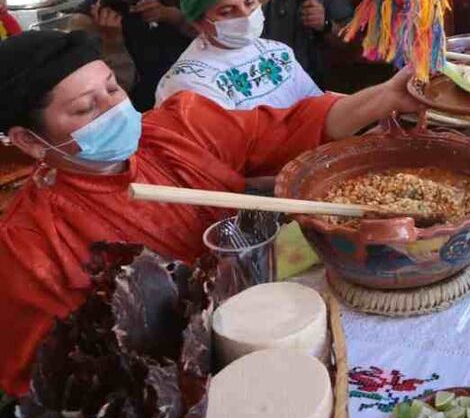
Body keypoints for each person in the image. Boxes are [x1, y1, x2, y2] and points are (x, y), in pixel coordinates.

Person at [0, 29, 418, 394]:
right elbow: (51, 381)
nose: (114, 109)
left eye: (113, 88)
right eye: (84, 109)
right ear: (29, 141)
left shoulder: (178, 127)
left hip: (281, 318)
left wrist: (385, 96)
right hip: (194, 384)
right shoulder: (26, 245)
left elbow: (290, 128)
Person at [155, 0, 322, 110]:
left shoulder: (278, 54)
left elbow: (319, 108)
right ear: (199, 23)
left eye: (250, 3)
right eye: (227, 12)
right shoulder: (189, 82)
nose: (245, 15)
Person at [258, 0, 355, 88]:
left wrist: (325, 24)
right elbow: (243, 16)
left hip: (309, 81)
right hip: (257, 79)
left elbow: (350, 41)